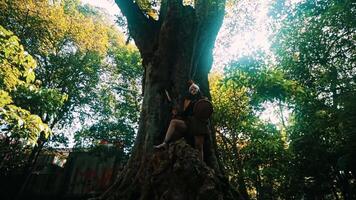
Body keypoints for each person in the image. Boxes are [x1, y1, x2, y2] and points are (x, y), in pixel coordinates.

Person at [154, 81, 212, 161]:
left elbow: (207, 111)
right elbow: (184, 113)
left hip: (199, 124)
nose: (193, 90)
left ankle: (201, 164)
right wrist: (176, 112)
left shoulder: (203, 99)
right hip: (189, 123)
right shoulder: (187, 100)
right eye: (191, 89)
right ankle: (165, 143)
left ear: (198, 90)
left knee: (199, 146)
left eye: (195, 88)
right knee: (173, 122)